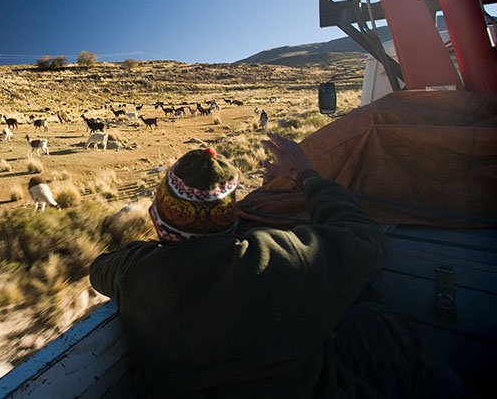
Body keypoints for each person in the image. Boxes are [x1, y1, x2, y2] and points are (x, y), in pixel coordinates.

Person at [89, 133, 473, 398]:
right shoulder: (280, 257)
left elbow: (100, 268)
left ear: (157, 221)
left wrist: (152, 250)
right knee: (371, 321)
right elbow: (361, 233)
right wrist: (305, 176)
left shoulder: (135, 273)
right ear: (235, 218)